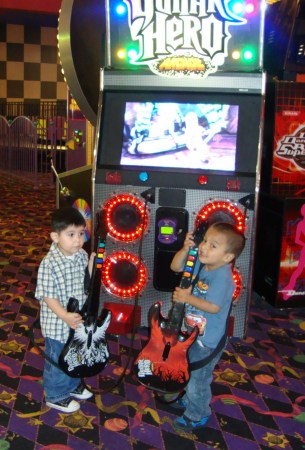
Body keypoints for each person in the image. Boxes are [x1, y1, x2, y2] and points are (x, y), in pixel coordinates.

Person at [170, 221, 246, 432]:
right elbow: (175, 267)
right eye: (204, 241)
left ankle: (198, 414)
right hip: (193, 334)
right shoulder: (201, 262)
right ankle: (190, 400)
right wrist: (185, 249)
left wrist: (187, 298)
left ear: (227, 257)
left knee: (198, 379)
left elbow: (213, 307)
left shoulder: (223, 277)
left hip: (208, 342)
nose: (204, 247)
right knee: (188, 370)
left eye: (213, 245)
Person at [35, 207, 95, 413]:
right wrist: (64, 316)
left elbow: (85, 282)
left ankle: (72, 385)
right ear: (55, 236)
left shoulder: (80, 255)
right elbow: (48, 295)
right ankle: (56, 394)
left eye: (81, 233)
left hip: (76, 320)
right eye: (71, 235)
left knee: (75, 354)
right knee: (59, 359)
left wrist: (91, 266)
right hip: (58, 324)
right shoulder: (49, 263)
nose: (78, 240)